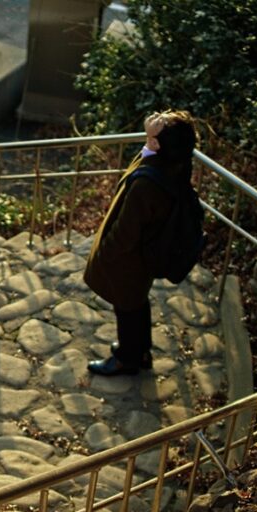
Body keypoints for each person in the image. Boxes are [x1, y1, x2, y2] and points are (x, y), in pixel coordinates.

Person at [84, 110, 198, 376]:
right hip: (146, 252)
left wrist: (106, 252)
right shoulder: (176, 161)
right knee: (136, 302)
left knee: (126, 307)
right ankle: (141, 351)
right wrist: (155, 136)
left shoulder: (147, 184)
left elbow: (126, 231)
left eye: (155, 132)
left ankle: (127, 359)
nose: (157, 117)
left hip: (130, 257)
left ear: (157, 144)